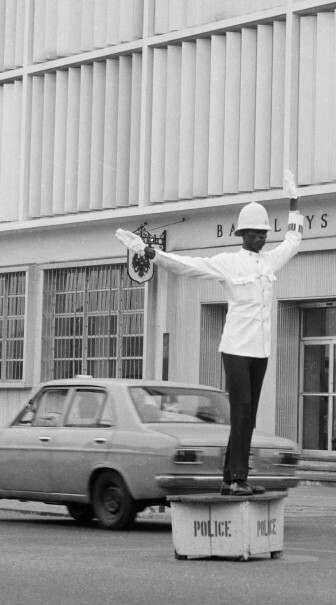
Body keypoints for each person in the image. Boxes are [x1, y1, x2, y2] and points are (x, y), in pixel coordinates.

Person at [116, 202, 304, 496]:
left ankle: (231, 478)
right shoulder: (228, 262)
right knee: (240, 411)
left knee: (249, 415)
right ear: (242, 234)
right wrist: (148, 252)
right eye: (254, 233)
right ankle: (238, 478)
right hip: (236, 348)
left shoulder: (269, 262)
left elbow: (293, 242)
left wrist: (294, 206)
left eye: (264, 233)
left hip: (261, 349)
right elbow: (188, 266)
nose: (261, 238)